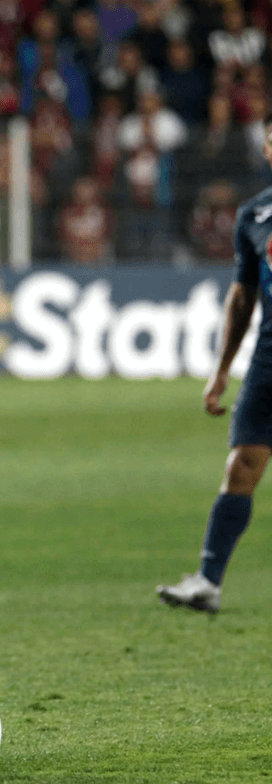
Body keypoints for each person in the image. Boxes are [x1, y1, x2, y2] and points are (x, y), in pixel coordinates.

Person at [157, 114, 272, 614]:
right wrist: (222, 368)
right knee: (243, 462)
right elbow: (243, 296)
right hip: (268, 359)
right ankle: (208, 580)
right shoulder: (255, 216)